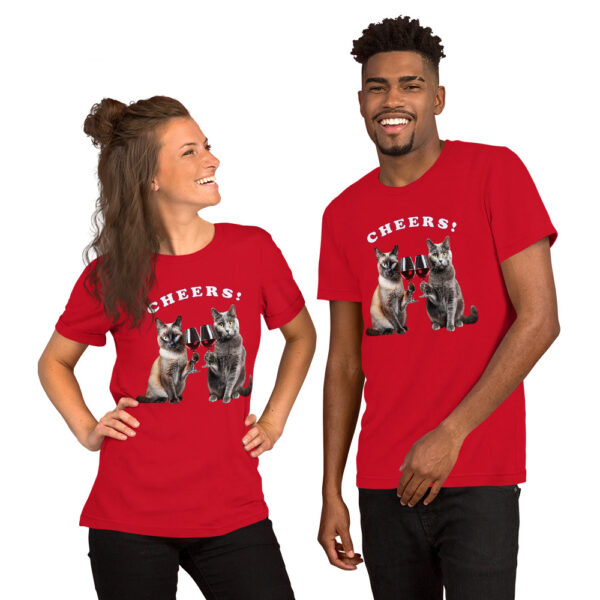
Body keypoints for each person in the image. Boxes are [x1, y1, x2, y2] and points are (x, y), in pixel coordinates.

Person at [316, 16, 559, 600]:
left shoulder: (495, 171)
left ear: (438, 98)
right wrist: (331, 490)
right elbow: (345, 362)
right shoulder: (342, 214)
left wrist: (451, 434)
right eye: (377, 88)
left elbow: (540, 321)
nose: (392, 101)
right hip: (383, 479)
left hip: (476, 470)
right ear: (360, 102)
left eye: (411, 85)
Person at [37, 95, 316, 600]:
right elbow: (54, 361)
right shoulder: (111, 273)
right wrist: (87, 429)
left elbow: (301, 335)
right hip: (129, 517)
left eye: (207, 146)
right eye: (190, 152)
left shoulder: (252, 249)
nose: (212, 160)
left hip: (232, 510)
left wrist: (274, 421)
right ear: (151, 177)